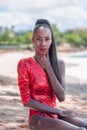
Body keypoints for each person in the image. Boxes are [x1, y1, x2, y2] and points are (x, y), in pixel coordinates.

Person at [17, 19, 87, 130]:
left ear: (51, 41)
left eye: (47, 39)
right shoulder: (24, 64)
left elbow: (61, 97)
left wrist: (48, 67)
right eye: (38, 39)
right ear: (33, 40)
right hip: (38, 118)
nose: (43, 43)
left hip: (56, 116)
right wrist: (59, 111)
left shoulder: (59, 64)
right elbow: (27, 101)